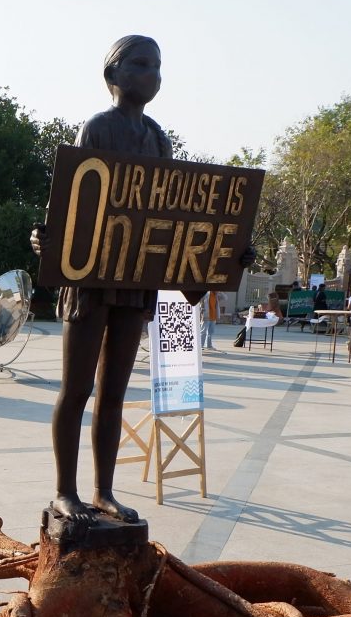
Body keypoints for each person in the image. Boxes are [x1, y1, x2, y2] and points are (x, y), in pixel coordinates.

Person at [32, 35, 254, 526]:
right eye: (141, 64)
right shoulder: (98, 127)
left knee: (114, 392)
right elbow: (74, 200)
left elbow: (171, 218)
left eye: (157, 66)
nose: (153, 74)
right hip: (90, 279)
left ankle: (103, 491)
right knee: (76, 390)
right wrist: (47, 238)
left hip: (134, 280)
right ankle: (66, 491)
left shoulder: (158, 139)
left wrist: (226, 255)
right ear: (113, 74)